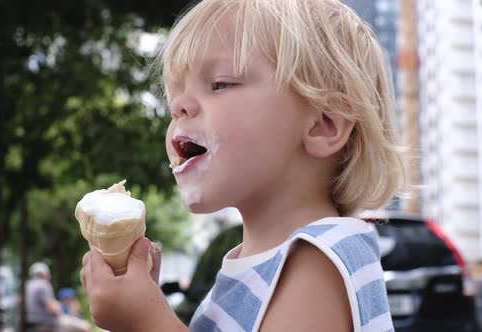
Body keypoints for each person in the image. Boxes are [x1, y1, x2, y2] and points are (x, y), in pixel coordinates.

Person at [80, 0, 406, 331]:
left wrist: (146, 321)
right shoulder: (248, 266)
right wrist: (144, 303)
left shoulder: (321, 255)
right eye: (173, 97)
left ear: (324, 124)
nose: (179, 107)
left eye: (220, 83)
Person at [25, 262, 61, 332]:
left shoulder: (27, 285)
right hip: (45, 324)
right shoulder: (44, 284)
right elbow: (52, 309)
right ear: (46, 274)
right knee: (84, 326)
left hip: (30, 323)